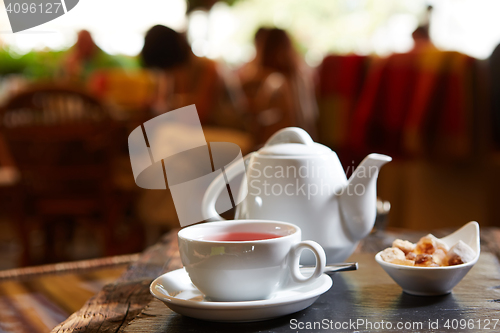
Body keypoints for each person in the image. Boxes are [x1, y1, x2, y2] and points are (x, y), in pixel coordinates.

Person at [141, 25, 242, 127]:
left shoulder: (208, 68)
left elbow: (198, 116)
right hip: (200, 130)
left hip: (225, 130)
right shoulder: (172, 73)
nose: (164, 73)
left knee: (162, 134)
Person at [239, 28, 318, 144]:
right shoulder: (300, 76)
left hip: (278, 142)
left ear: (266, 48)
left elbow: (249, 110)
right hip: (306, 140)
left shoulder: (272, 80)